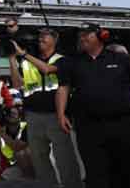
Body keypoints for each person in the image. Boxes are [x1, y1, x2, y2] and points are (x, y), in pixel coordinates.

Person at [56, 22, 130, 188]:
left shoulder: (123, 60)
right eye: (80, 35)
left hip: (124, 125)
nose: (82, 37)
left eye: (87, 34)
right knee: (96, 173)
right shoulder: (71, 62)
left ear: (101, 36)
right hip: (89, 128)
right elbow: (63, 88)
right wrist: (61, 114)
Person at [10, 28, 82, 188]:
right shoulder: (27, 61)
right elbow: (17, 84)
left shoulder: (62, 60)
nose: (40, 38)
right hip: (33, 115)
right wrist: (12, 59)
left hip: (55, 116)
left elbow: (47, 69)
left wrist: (24, 54)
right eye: (39, 36)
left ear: (54, 40)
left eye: (45, 35)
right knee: (39, 159)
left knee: (64, 158)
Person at [0, 105, 35, 181]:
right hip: (15, 165)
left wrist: (1, 132)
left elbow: (17, 147)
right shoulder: (1, 129)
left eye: (14, 113)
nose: (11, 115)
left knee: (21, 153)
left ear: (20, 116)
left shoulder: (26, 127)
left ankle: (31, 180)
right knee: (4, 178)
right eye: (9, 113)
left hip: (32, 164)